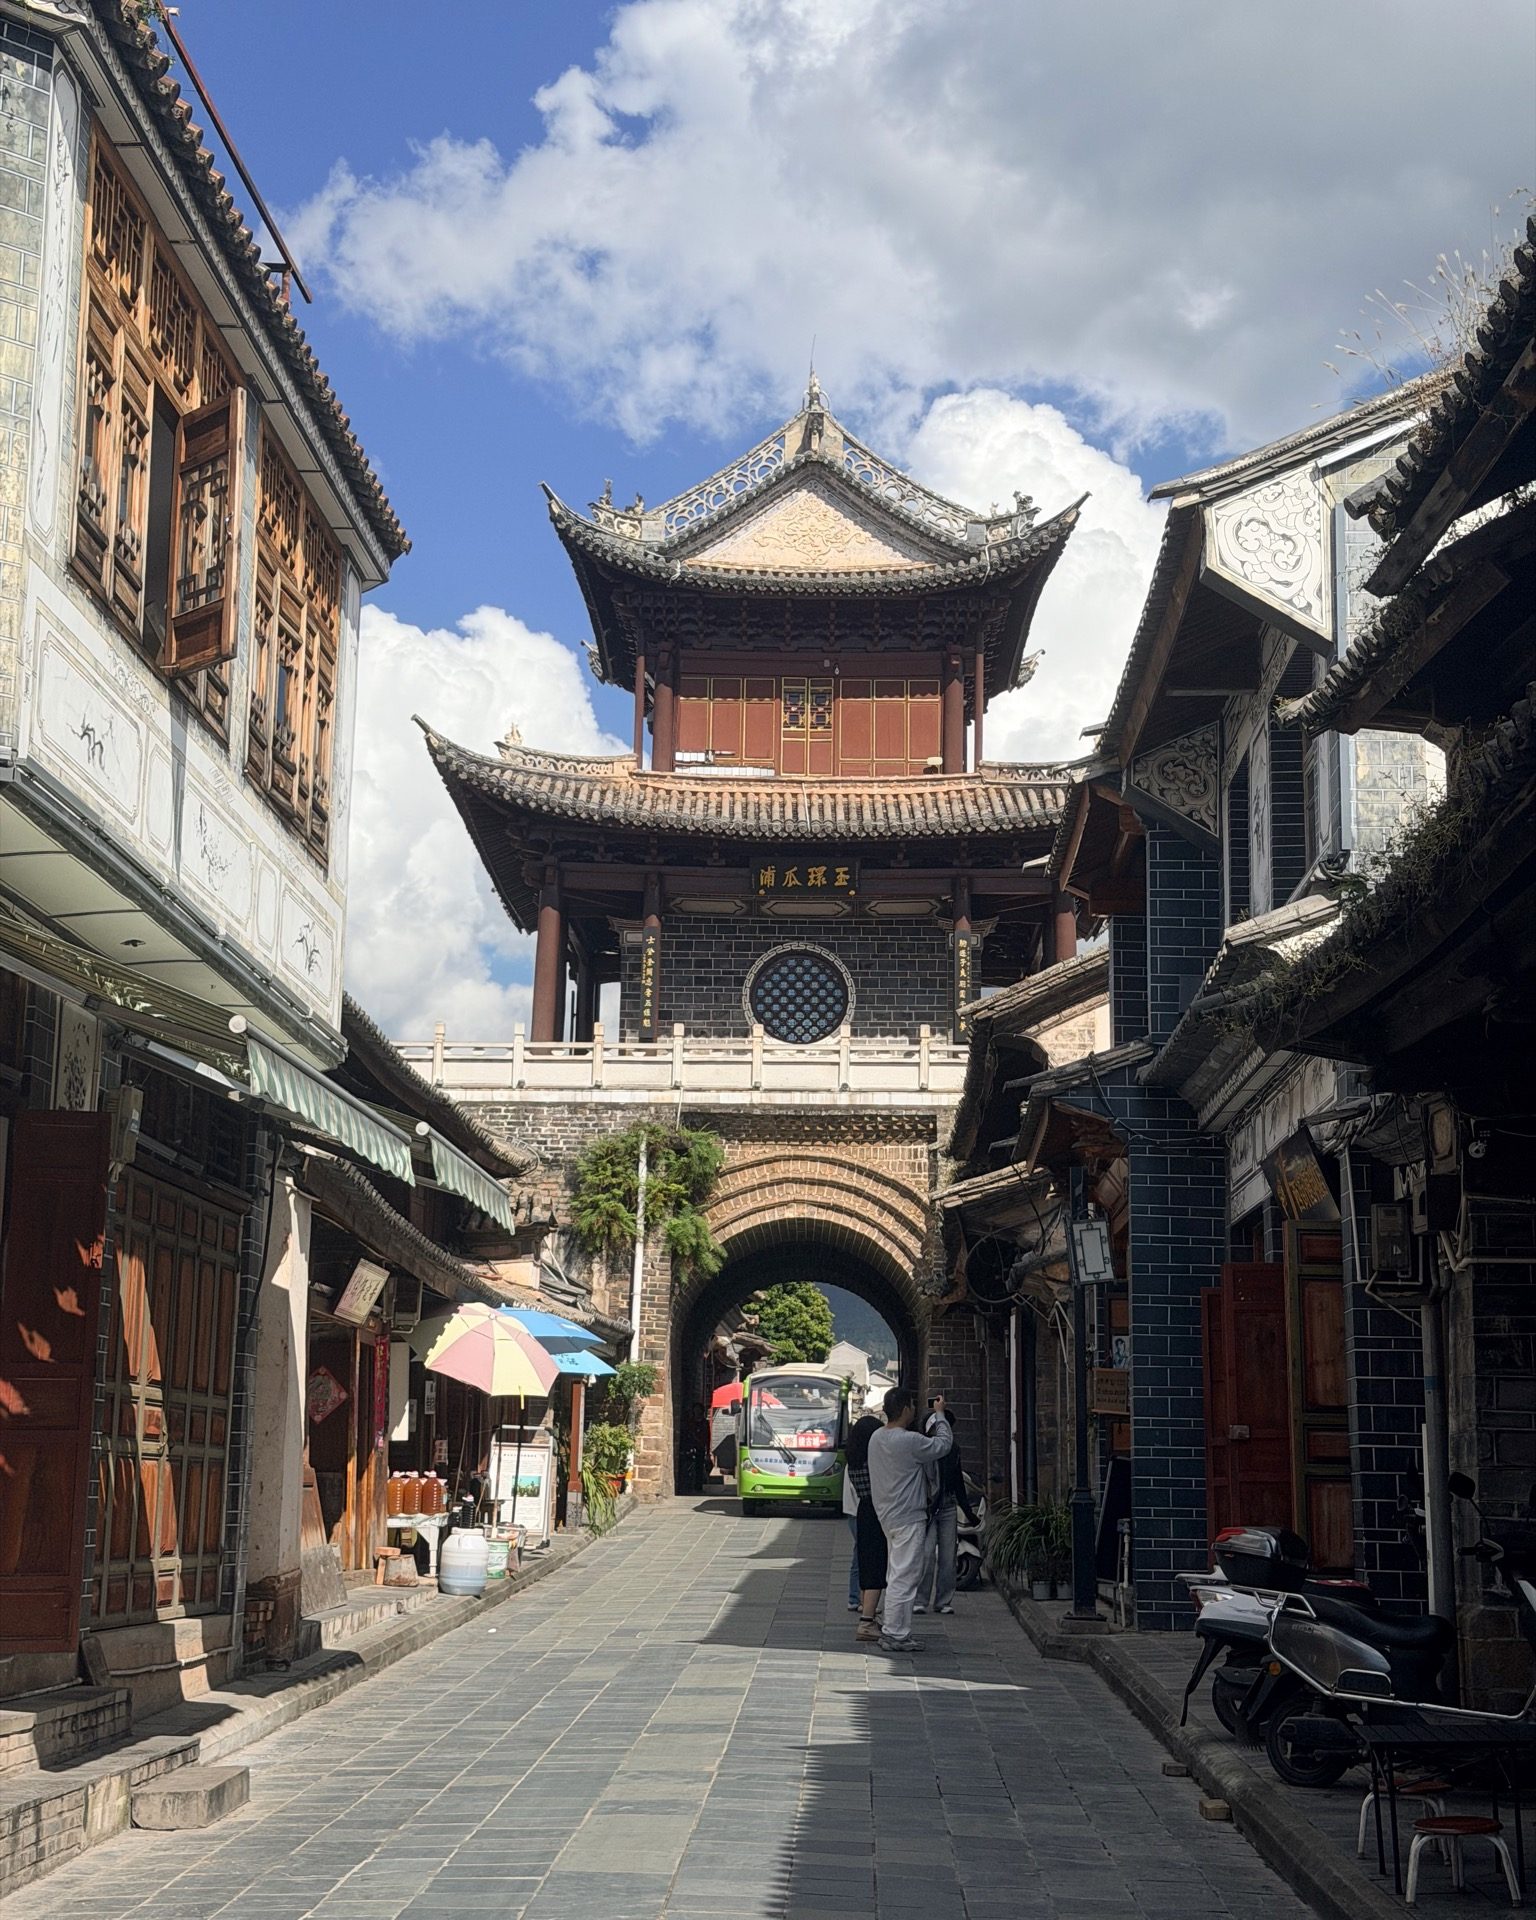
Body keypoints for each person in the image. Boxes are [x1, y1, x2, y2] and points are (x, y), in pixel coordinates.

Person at [867, 1387, 951, 1652]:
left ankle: (893, 1628)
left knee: (896, 1573)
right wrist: (939, 1416)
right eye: (913, 1405)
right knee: (905, 1576)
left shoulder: (876, 1438)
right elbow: (943, 1445)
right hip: (908, 1515)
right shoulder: (909, 1441)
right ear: (904, 1409)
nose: (915, 1409)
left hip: (886, 1513)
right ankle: (896, 1633)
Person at [915, 1408, 977, 1616]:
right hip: (929, 1506)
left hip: (948, 1504)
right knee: (926, 1554)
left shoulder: (953, 1449)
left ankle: (943, 1600)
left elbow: (958, 1481)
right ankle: (920, 1599)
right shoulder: (924, 1448)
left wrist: (968, 1511)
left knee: (949, 1556)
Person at [844, 1411, 887, 1643]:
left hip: (864, 1510)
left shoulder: (853, 1460)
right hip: (877, 1511)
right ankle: (868, 1620)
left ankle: (865, 1610)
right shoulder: (873, 1462)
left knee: (866, 1561)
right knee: (876, 1565)